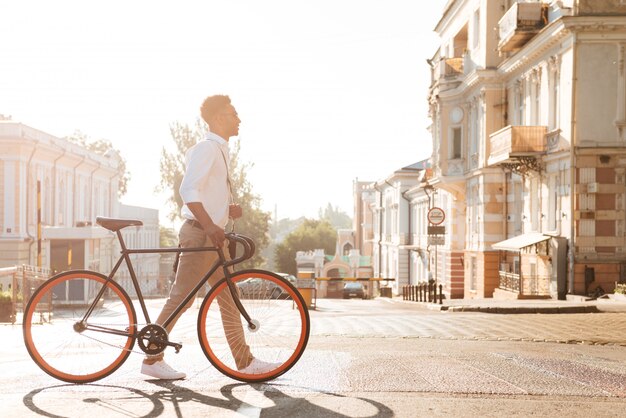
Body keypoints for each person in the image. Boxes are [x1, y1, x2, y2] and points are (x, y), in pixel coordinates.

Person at [141, 95, 277, 380]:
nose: (239, 119)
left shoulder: (218, 150)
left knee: (228, 296)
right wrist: (211, 225)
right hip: (202, 235)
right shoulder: (208, 149)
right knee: (182, 298)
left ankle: (244, 361)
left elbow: (204, 193)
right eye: (233, 114)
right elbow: (189, 191)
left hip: (213, 237)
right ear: (218, 119)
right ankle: (152, 357)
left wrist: (225, 210)